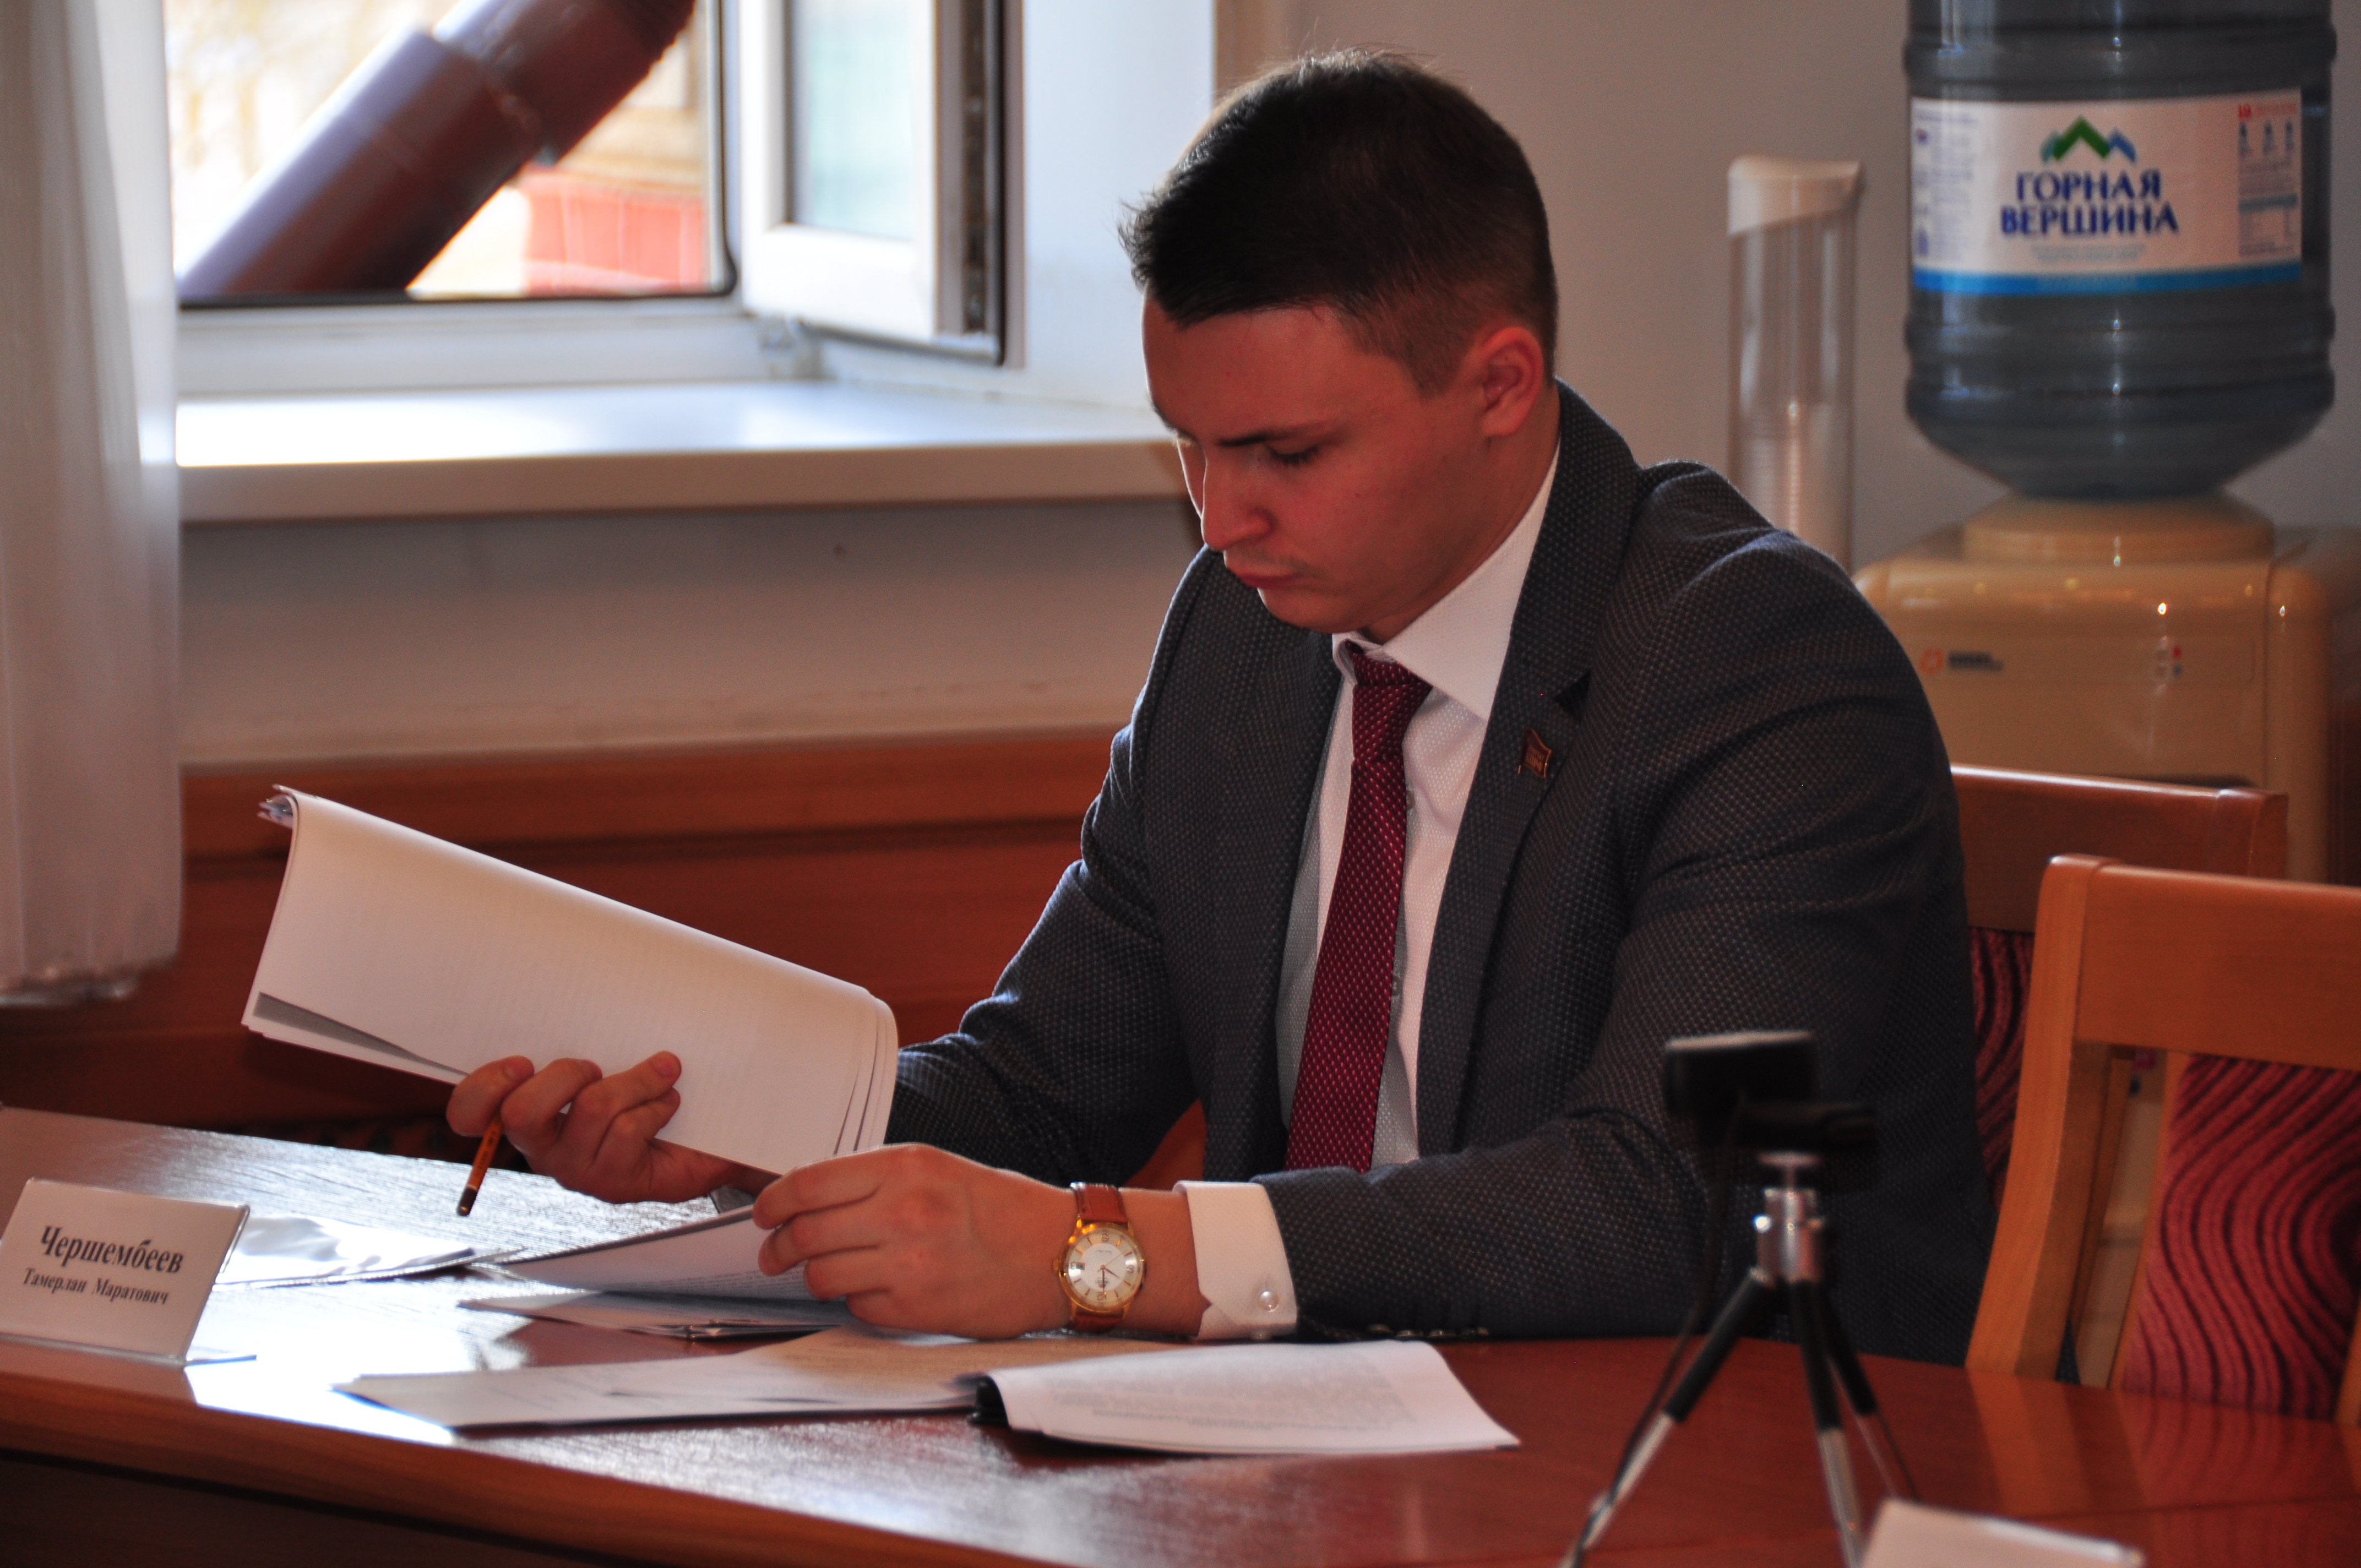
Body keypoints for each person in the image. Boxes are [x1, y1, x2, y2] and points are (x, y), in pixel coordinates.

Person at [447, 52, 1995, 1363]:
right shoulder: (1244, 638)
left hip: (1720, 1471)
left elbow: (1664, 1208)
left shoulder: (1761, 670)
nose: (1218, 515)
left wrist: (1096, 1257)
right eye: (1186, 444)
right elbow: (1045, 1094)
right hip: (1305, 1457)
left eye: (1285, 453)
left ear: (1500, 384)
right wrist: (753, 1132)